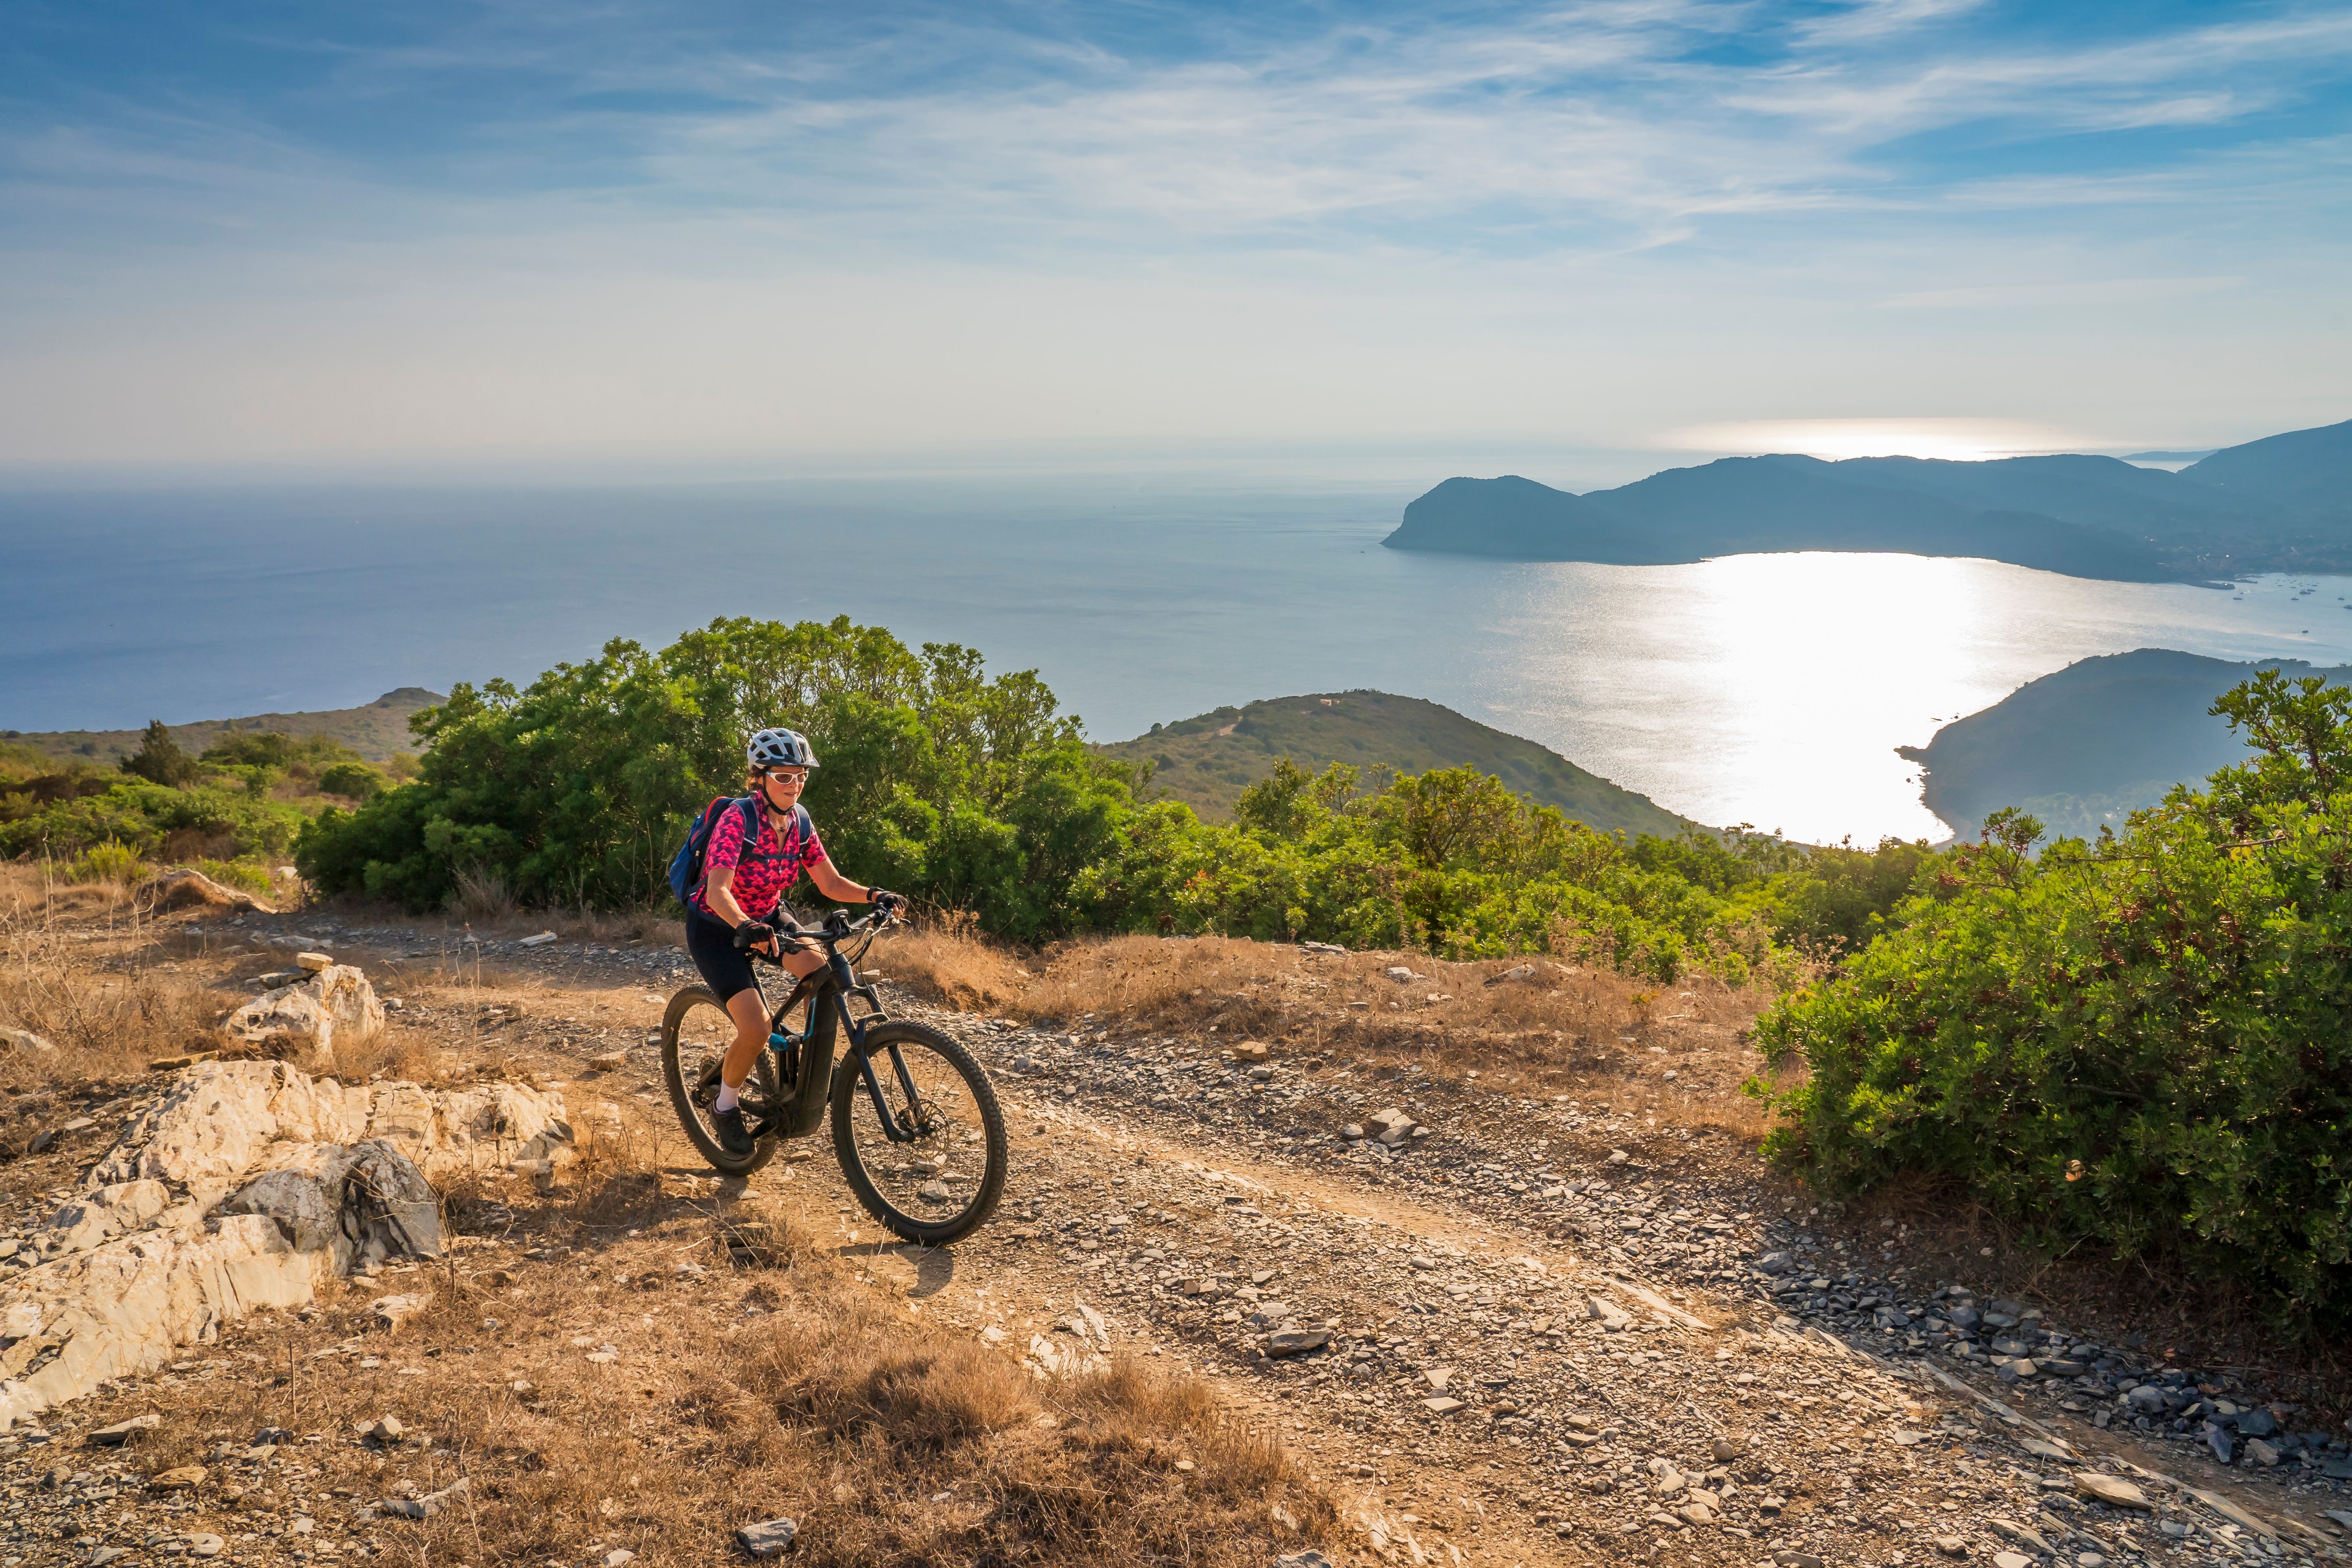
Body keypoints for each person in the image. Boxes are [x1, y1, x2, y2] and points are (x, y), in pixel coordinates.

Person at [686, 727, 905, 1155]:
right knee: (756, 1026)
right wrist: (743, 925)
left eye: (801, 776)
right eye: (784, 777)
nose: (795, 785)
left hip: (768, 915)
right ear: (760, 776)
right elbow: (718, 890)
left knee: (822, 974)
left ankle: (807, 1071)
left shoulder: (800, 820)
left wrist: (874, 895)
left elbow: (830, 881)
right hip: (717, 927)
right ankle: (724, 1103)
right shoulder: (738, 819)